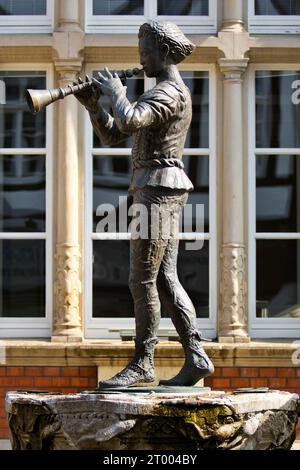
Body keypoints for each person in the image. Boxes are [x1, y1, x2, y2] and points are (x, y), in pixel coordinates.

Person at [75, 21, 214, 387]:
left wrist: (117, 91)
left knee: (141, 280)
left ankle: (143, 362)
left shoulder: (169, 93)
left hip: (158, 189)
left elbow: (130, 117)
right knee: (165, 279)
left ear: (165, 52)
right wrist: (93, 106)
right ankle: (196, 356)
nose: (141, 58)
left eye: (146, 50)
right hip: (153, 188)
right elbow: (113, 133)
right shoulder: (158, 93)